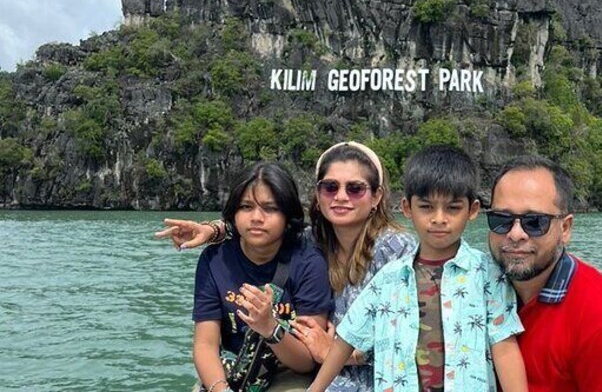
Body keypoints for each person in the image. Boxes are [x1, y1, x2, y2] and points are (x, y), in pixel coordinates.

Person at [157, 142, 415, 391]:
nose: (341, 197)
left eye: (355, 189)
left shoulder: (395, 249)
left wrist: (343, 353)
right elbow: (260, 229)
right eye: (330, 187)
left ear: (376, 196)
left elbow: (412, 336)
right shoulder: (313, 238)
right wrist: (214, 230)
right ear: (318, 192)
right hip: (324, 373)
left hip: (377, 374)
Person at [309, 145, 527, 392]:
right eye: (426, 207)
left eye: (453, 208)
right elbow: (346, 339)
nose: (439, 218)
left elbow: (504, 348)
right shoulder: (390, 278)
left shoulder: (488, 275)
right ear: (406, 208)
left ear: (473, 210)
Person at [485, 155, 602, 392]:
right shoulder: (470, 288)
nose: (516, 234)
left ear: (565, 228)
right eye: (501, 220)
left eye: (535, 222)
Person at [191, 161, 334, 392]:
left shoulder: (308, 263)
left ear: (287, 216)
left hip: (286, 374)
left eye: (270, 208)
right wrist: (220, 389)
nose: (256, 217)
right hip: (231, 372)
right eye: (246, 207)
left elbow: (307, 360)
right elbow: (205, 344)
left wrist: (270, 327)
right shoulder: (214, 260)